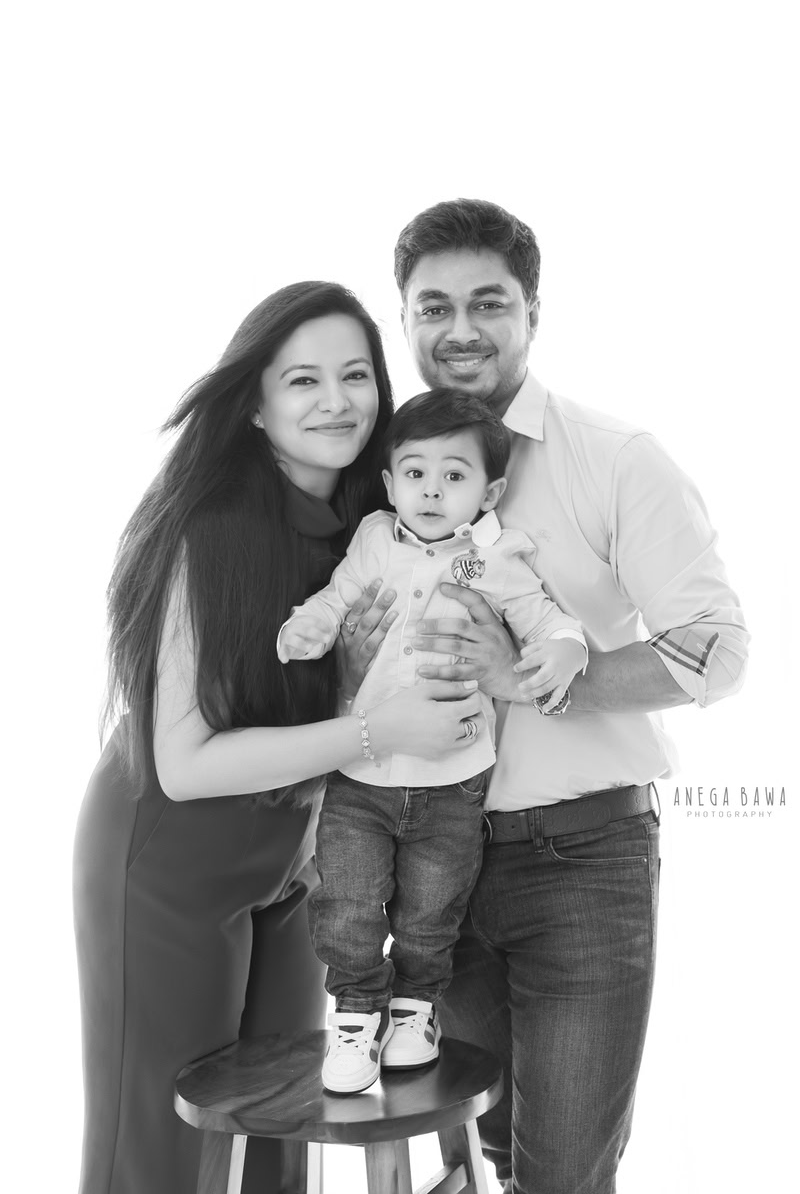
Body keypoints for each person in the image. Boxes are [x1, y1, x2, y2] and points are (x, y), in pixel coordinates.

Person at [343, 200, 749, 1194]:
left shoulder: (613, 457)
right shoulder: (381, 473)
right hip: (432, 859)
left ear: (533, 313)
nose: (460, 329)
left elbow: (716, 652)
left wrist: (527, 681)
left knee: (561, 1172)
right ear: (404, 321)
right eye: (432, 307)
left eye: (489, 303)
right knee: (484, 1153)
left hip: (581, 863)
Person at [72, 281, 484, 1194]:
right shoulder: (206, 530)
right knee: (161, 1151)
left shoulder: (373, 532)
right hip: (166, 864)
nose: (335, 400)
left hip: (294, 860)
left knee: (280, 1148)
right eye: (303, 380)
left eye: (355, 376)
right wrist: (374, 727)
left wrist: (355, 691)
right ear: (254, 406)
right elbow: (184, 765)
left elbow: (305, 715)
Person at [278, 387, 587, 1093]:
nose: (431, 490)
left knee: (431, 906)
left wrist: (565, 649)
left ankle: (414, 1012)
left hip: (453, 781)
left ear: (490, 491)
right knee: (348, 903)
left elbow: (548, 621)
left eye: (454, 476)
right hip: (362, 774)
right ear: (390, 483)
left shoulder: (497, 557)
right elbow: (336, 595)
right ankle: (354, 1018)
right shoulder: (373, 541)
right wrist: (311, 625)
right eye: (415, 473)